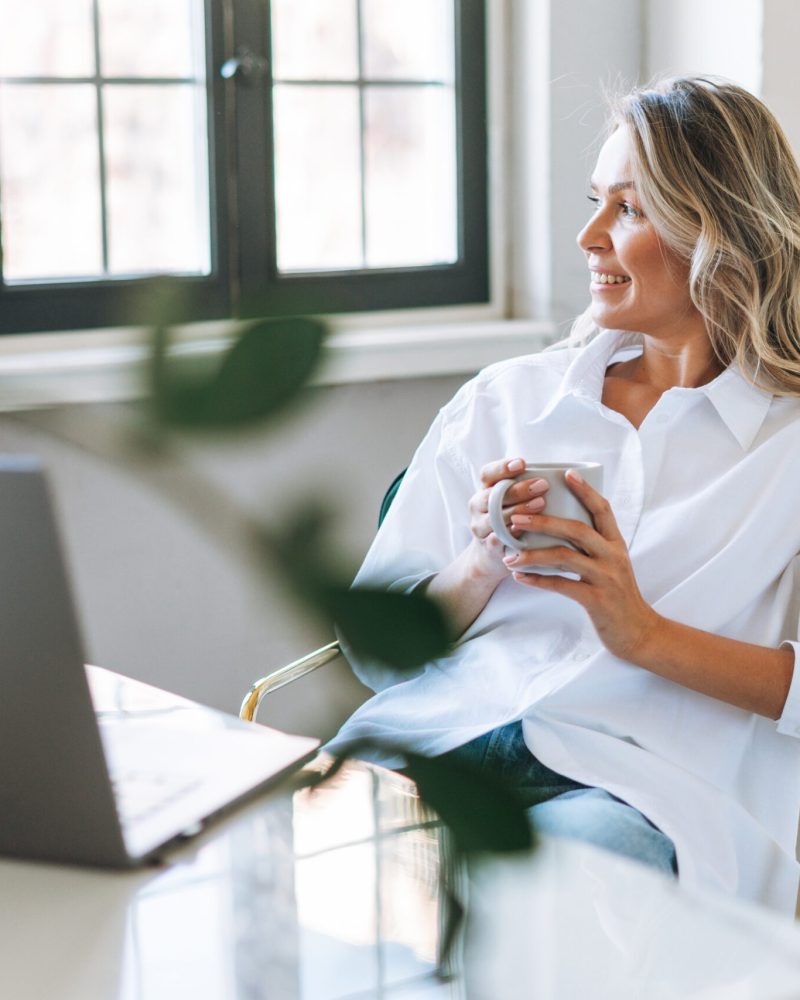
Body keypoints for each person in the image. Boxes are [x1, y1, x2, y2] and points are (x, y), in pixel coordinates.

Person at [327, 76, 800, 915]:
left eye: (629, 209)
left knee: (544, 899)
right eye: (594, 202)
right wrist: (480, 563)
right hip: (432, 744)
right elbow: (375, 652)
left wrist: (641, 631)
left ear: (722, 232)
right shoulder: (506, 399)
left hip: (638, 794)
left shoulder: (785, 451)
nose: (588, 237)